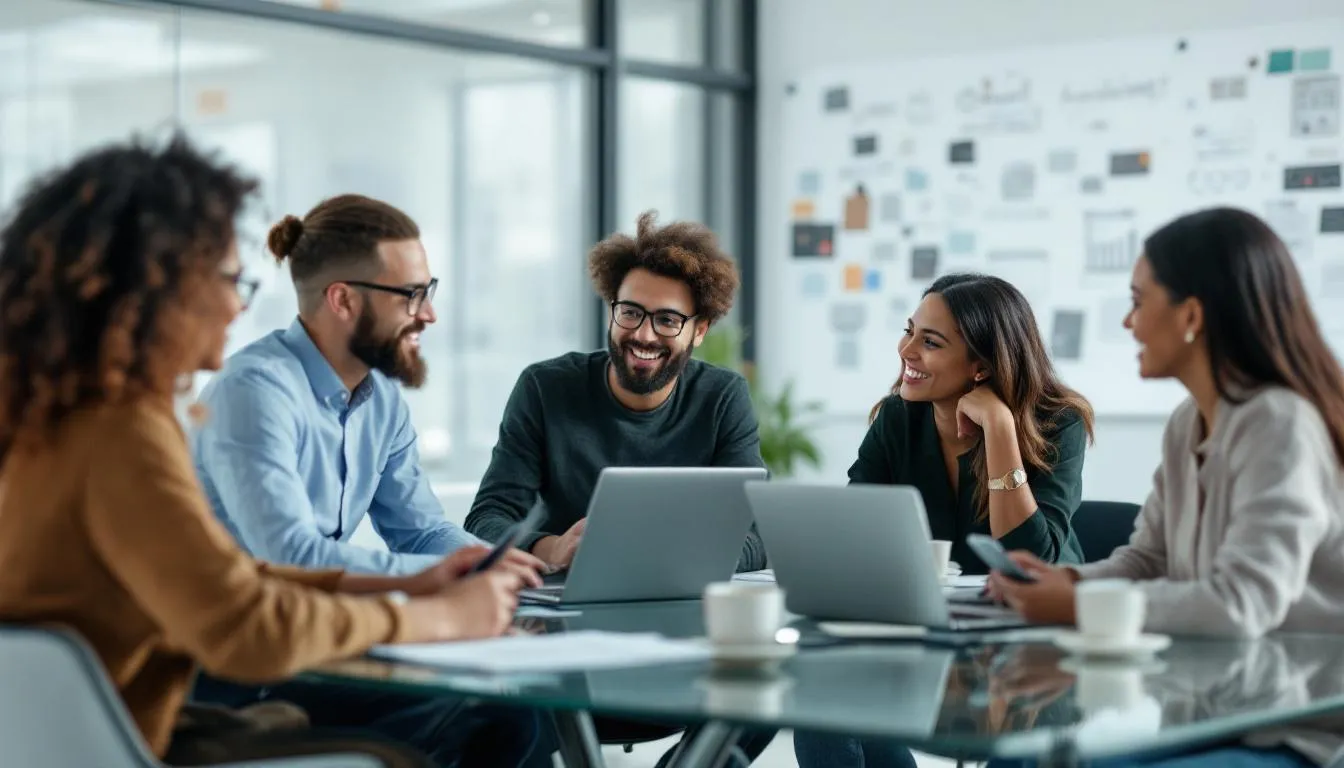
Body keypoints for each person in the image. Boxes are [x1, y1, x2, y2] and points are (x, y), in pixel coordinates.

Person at [0, 135, 547, 767]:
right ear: (158, 289)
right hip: (126, 742)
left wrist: (413, 583)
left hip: (91, 735)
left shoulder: (65, 423)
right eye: (232, 280)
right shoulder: (124, 433)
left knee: (491, 716)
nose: (239, 305)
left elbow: (225, 579)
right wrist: (439, 619)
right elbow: (243, 624)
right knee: (479, 724)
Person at [989, 207, 1344, 768]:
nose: (1128, 322)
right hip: (1208, 716)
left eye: (1138, 301)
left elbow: (1241, 603)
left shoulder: (1279, 423)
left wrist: (1078, 603)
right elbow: (1148, 560)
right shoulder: (1188, 423)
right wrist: (1068, 580)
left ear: (1191, 315)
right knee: (1019, 758)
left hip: (1292, 730)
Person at [463, 210, 774, 764]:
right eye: (630, 312)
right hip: (559, 647)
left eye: (667, 320)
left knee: (770, 686)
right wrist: (551, 547)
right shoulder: (545, 387)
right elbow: (486, 519)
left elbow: (759, 535)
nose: (643, 334)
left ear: (700, 329)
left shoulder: (722, 398)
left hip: (683, 647)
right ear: (612, 309)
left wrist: (682, 558)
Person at [794, 272, 1095, 768]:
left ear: (982, 366)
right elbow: (856, 532)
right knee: (818, 695)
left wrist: (999, 429)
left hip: (1039, 647)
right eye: (909, 331)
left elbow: (1027, 558)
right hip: (931, 634)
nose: (906, 351)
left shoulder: (1057, 422)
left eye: (930, 342)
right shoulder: (898, 419)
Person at [192, 193, 475, 574]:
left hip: (309, 607)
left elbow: (422, 533)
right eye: (412, 295)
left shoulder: (381, 397)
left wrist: (498, 563)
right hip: (232, 609)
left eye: (429, 292)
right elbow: (294, 556)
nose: (429, 314)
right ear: (343, 301)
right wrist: (442, 573)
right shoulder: (251, 392)